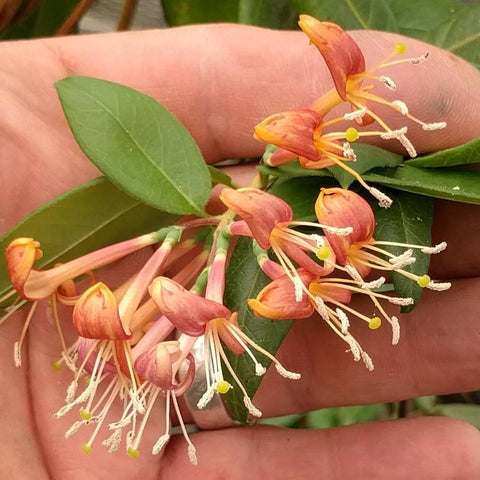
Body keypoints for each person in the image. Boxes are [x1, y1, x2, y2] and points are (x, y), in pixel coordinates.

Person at [1, 23, 480, 480]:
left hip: (274, 228)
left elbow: (263, 229)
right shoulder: (242, 269)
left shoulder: (290, 232)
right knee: (175, 247)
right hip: (247, 243)